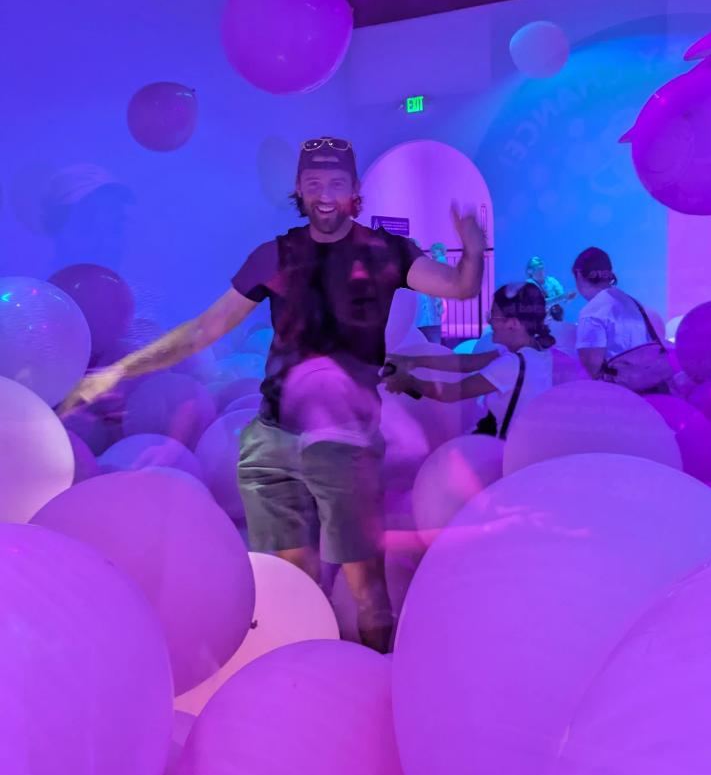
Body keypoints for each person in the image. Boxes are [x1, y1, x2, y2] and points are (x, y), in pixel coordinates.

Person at [61, 136, 486, 653]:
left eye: (335, 184)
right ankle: (300, 678)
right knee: (290, 585)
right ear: (299, 193)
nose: (324, 195)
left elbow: (458, 287)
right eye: (313, 185)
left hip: (346, 440)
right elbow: (203, 331)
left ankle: (377, 682)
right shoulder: (274, 256)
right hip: (273, 442)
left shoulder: (386, 252)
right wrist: (118, 371)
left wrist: (471, 254)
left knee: (366, 588)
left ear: (355, 191)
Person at [384, 281, 554, 436]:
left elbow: (451, 392)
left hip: (505, 450)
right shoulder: (536, 351)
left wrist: (409, 381)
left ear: (513, 324)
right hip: (523, 442)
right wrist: (412, 361)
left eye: (493, 316)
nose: (490, 322)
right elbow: (465, 363)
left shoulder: (511, 365)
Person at [573, 246, 670, 391]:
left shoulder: (591, 313)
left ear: (579, 275)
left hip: (623, 397)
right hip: (655, 389)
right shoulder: (631, 301)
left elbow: (592, 369)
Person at [415, 243, 448, 344]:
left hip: (427, 312)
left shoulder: (438, 262)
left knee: (430, 339)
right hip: (425, 313)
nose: (432, 253)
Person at [526, 255, 568, 322]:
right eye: (535, 262)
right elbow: (540, 303)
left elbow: (563, 297)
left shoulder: (552, 281)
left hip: (556, 320)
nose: (539, 261)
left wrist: (566, 298)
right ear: (529, 271)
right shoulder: (528, 285)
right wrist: (561, 297)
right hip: (538, 322)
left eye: (540, 262)